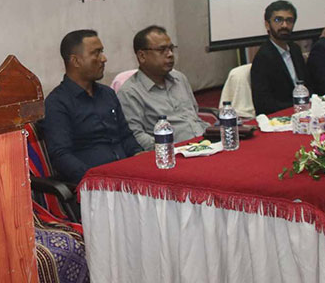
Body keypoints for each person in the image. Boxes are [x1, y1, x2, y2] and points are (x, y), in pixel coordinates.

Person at [42, 29, 142, 184]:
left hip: (127, 175)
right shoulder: (57, 103)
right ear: (76, 61)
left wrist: (139, 156)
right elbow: (61, 155)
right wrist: (93, 180)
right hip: (94, 184)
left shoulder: (107, 94)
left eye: (102, 51)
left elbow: (126, 136)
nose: (104, 58)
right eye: (96, 53)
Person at [116, 26, 206, 149]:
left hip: (203, 145)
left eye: (171, 49)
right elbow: (136, 136)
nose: (170, 54)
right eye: (162, 50)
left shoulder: (179, 79)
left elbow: (194, 117)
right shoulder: (130, 92)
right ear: (142, 56)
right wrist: (168, 149)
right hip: (173, 153)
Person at [250, 0, 308, 116]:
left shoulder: (295, 49)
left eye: (289, 20)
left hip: (304, 111)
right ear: (267, 25)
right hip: (281, 117)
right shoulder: (263, 58)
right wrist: (296, 107)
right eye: (278, 20)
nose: (284, 25)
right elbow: (264, 105)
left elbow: (307, 84)